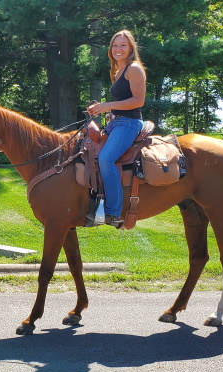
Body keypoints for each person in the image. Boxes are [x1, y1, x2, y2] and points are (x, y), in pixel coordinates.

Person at [87, 30, 146, 227]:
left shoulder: (134, 69)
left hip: (129, 123)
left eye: (123, 45)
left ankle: (113, 212)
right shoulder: (117, 71)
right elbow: (121, 101)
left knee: (106, 158)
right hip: (115, 123)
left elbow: (138, 101)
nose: (118, 49)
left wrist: (108, 105)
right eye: (115, 45)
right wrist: (101, 109)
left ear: (130, 48)